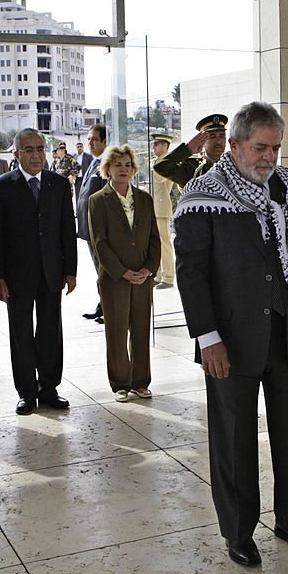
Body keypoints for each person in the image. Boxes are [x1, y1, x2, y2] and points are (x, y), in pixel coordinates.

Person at [173, 101, 288, 567]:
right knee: (234, 439)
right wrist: (207, 338)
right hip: (230, 342)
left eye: (276, 148)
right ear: (236, 144)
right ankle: (239, 532)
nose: (269, 157)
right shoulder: (202, 193)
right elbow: (192, 274)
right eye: (260, 147)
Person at [0, 128, 77, 415]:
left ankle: (48, 388)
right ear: (16, 154)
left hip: (51, 272)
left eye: (40, 149)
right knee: (21, 333)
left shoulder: (58, 185)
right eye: (28, 150)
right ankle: (26, 392)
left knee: (51, 331)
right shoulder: (1, 186)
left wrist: (70, 271)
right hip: (16, 276)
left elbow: (66, 231)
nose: (36, 155)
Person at [88, 145, 160, 402]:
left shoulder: (144, 199)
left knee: (141, 329)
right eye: (118, 165)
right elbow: (99, 243)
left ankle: (140, 382)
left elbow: (154, 238)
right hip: (115, 278)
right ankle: (120, 382)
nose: (123, 169)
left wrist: (149, 269)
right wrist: (122, 272)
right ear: (108, 168)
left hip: (142, 277)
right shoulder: (98, 200)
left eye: (127, 165)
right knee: (117, 331)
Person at [76, 124, 108, 321]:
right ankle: (102, 305)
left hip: (99, 229)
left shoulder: (106, 164)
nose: (90, 142)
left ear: (105, 141)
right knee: (99, 270)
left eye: (94, 139)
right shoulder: (93, 162)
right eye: (89, 139)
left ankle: (110, 308)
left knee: (105, 270)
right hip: (88, 228)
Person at [155, 113, 227, 188]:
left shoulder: (234, 164)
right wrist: (187, 149)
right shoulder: (192, 167)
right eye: (213, 136)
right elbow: (161, 167)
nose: (218, 141)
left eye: (222, 136)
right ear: (203, 140)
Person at [150, 133, 176, 289]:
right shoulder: (157, 162)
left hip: (161, 206)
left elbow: (160, 179)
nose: (153, 147)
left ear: (165, 146)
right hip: (154, 205)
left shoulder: (167, 162)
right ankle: (159, 274)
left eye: (157, 144)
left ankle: (168, 277)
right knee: (155, 243)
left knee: (164, 243)